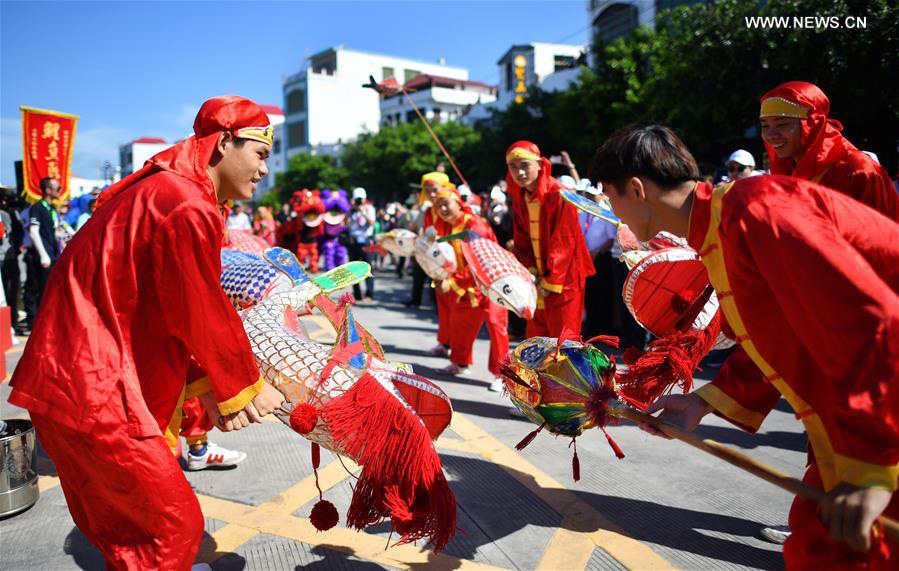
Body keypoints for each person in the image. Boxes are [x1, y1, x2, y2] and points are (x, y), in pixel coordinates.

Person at [590, 124, 899, 570]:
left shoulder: (756, 208)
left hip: (884, 416)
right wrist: (703, 402)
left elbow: (873, 322)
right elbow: (783, 338)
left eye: (609, 197)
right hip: (861, 418)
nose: (611, 211)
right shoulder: (721, 229)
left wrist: (873, 467)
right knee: (817, 547)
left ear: (637, 189)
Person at [8, 96, 285, 570]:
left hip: (73, 376)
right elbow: (200, 308)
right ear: (224, 143)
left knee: (131, 530)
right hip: (95, 383)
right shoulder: (184, 202)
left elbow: (167, 307)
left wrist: (210, 387)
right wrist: (245, 385)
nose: (263, 170)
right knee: (173, 527)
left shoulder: (167, 191)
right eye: (260, 154)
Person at [759, 80, 898, 220]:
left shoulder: (857, 170)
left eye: (782, 124)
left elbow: (878, 231)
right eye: (765, 126)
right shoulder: (786, 169)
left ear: (812, 124)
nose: (770, 135)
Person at [505, 141, 594, 338]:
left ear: (539, 164)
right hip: (537, 279)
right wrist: (530, 273)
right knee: (537, 342)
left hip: (564, 278)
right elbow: (522, 240)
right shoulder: (520, 197)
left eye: (525, 165)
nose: (519, 172)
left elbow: (565, 241)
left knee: (563, 341)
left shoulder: (559, 193)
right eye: (513, 167)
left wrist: (549, 281)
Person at [432, 185, 509, 383]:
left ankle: (502, 375)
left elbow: (479, 263)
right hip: (467, 285)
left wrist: (452, 281)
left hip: (491, 283)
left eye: (445, 203)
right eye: (438, 206)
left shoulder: (475, 225)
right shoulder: (445, 226)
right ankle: (460, 363)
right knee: (459, 320)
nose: (442, 209)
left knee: (495, 324)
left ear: (459, 203)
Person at [22, 177, 62, 331]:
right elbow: (33, 231)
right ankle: (33, 323)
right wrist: (43, 254)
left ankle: (45, 322)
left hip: (52, 255)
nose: (60, 191)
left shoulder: (51, 208)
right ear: (47, 190)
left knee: (48, 290)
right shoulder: (37, 207)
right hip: (40, 256)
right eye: (57, 188)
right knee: (34, 289)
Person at [348, 187, 376, 303]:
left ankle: (369, 294)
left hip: (366, 241)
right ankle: (357, 294)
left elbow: (371, 222)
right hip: (354, 241)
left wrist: (363, 212)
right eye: (357, 199)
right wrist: (351, 209)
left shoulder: (369, 209)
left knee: (368, 269)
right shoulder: (351, 211)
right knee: (353, 270)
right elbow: (345, 223)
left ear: (365, 199)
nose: (359, 201)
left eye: (360, 199)